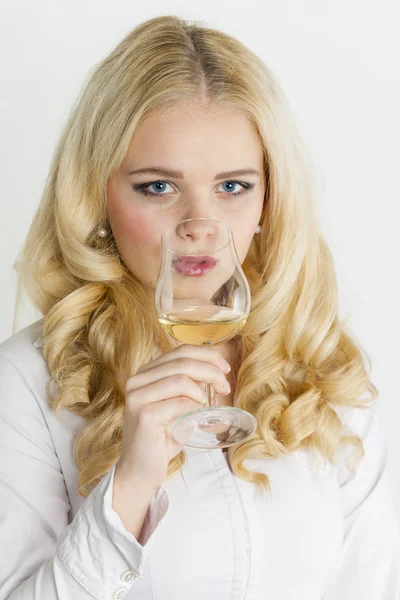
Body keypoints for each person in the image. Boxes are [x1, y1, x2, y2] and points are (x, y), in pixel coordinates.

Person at [0, 14, 399, 600]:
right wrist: (131, 482)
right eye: (158, 187)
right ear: (97, 193)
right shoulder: (27, 382)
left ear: (269, 199)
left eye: (232, 187)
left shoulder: (323, 366)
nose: (199, 227)